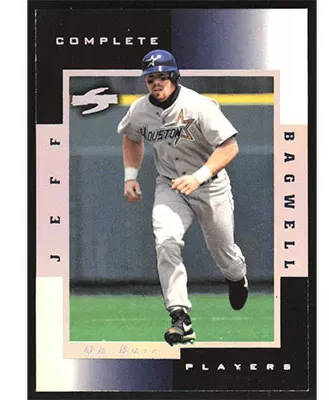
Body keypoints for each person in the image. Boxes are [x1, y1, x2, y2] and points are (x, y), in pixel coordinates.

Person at [117, 49, 249, 346]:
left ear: (174, 77)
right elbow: (131, 137)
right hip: (170, 185)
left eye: (162, 76)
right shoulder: (139, 110)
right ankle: (180, 317)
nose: (156, 82)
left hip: (210, 185)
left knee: (223, 252)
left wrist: (198, 176)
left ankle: (236, 276)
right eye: (151, 78)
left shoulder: (198, 105)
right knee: (166, 241)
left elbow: (229, 147)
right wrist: (130, 176)